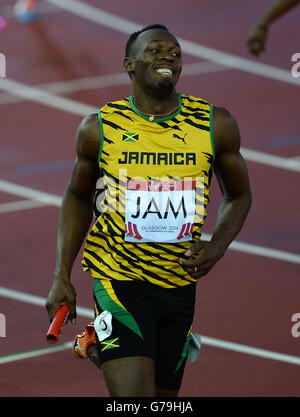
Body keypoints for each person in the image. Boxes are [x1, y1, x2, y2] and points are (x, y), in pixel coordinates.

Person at [45, 24, 252, 397]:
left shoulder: (214, 125)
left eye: (174, 51)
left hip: (178, 282)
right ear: (130, 64)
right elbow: (77, 196)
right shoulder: (100, 128)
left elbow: (238, 195)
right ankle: (110, 341)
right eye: (155, 50)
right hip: (118, 276)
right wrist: (62, 273)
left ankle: (98, 346)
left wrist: (217, 246)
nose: (167, 57)